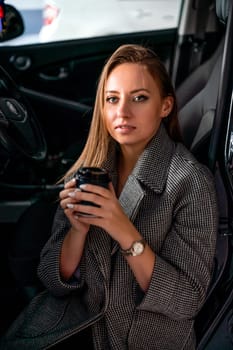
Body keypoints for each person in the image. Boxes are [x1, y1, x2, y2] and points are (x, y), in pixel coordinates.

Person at [1, 44, 218, 350]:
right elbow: (52, 279)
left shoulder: (190, 182)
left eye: (139, 98)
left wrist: (123, 229)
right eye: (112, 99)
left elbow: (186, 299)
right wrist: (77, 232)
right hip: (81, 331)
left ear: (165, 106)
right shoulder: (90, 171)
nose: (122, 112)